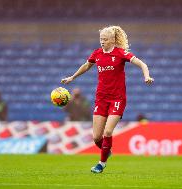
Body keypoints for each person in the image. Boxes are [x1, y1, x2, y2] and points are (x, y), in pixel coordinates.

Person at [61, 26, 154, 173]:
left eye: (105, 39)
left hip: (117, 99)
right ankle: (106, 151)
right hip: (101, 99)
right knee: (97, 137)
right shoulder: (97, 54)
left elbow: (142, 63)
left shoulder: (120, 53)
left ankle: (101, 163)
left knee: (108, 132)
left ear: (112, 40)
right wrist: (72, 77)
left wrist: (146, 75)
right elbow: (87, 66)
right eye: (101, 39)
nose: (102, 42)